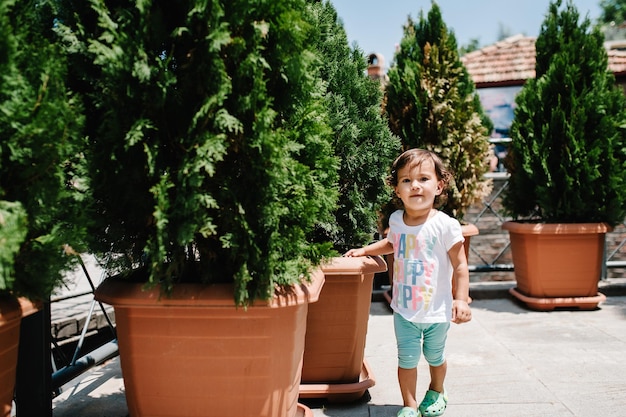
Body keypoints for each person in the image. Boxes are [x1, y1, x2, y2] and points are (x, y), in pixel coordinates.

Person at [345, 148, 472, 417]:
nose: (415, 185)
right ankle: (410, 406)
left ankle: (437, 390)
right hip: (404, 310)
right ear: (397, 190)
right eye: (406, 180)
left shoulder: (445, 225)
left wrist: (460, 299)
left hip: (436, 311)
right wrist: (365, 250)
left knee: (435, 357)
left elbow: (460, 265)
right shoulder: (396, 221)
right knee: (407, 360)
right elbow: (392, 243)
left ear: (438, 186)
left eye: (424, 179)